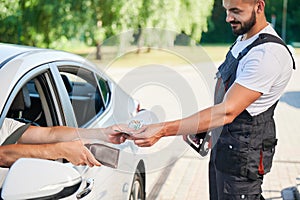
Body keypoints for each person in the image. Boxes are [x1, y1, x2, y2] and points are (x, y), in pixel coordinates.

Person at [116, 0, 296, 199]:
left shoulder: (267, 54)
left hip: (241, 163)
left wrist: (163, 130)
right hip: (225, 152)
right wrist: (204, 126)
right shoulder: (245, 39)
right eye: (226, 10)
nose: (228, 18)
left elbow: (227, 111)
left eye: (235, 11)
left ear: (259, 7)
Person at [0, 118, 124, 167]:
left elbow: (51, 134)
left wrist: (102, 133)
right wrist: (61, 150)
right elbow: (2, 156)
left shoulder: (4, 123)